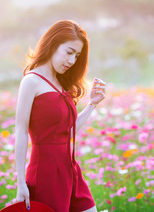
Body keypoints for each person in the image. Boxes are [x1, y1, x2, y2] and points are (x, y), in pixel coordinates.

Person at [14, 20, 106, 212]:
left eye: (77, 55)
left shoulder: (61, 82)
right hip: (46, 173)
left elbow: (68, 130)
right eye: (69, 52)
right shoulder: (31, 81)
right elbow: (21, 131)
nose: (72, 61)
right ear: (53, 44)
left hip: (70, 169)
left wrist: (91, 104)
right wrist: (20, 182)